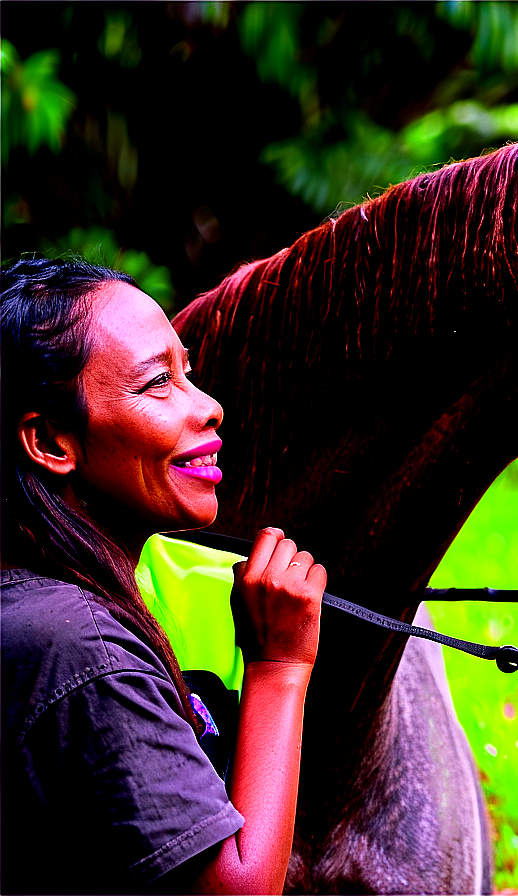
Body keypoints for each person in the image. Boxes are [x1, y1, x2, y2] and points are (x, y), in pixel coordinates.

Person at [1, 256, 325, 894]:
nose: (209, 408)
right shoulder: (77, 652)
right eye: (157, 385)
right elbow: (238, 890)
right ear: (53, 444)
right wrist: (279, 667)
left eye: (190, 375)